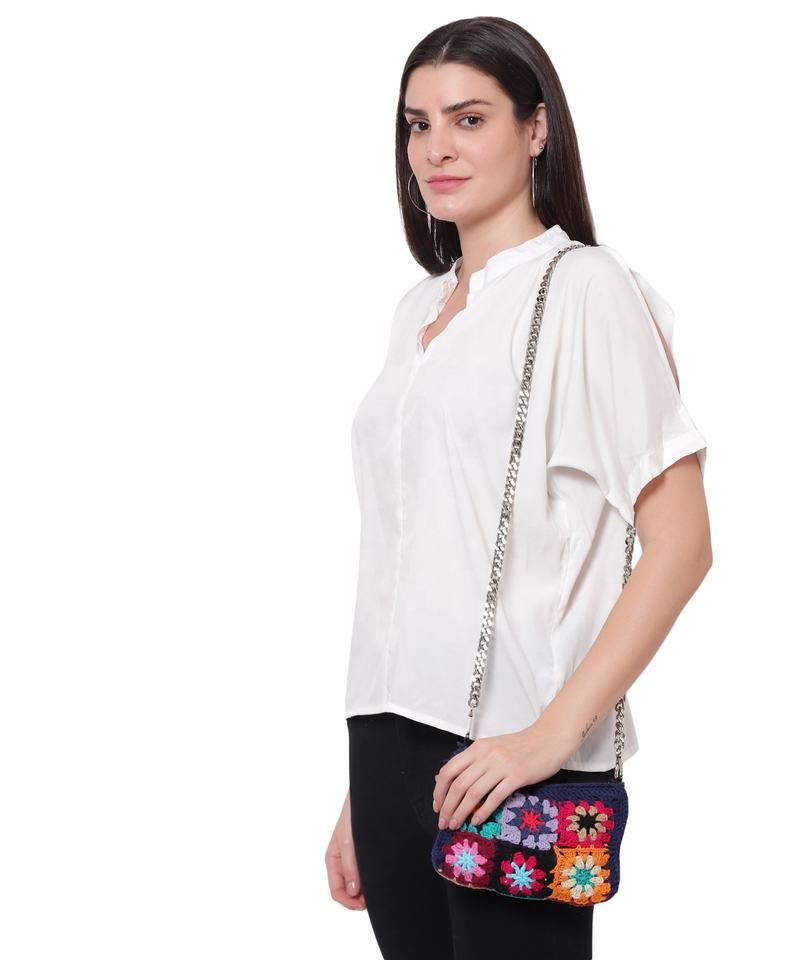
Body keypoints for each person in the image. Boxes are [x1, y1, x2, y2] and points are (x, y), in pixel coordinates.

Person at [326, 16, 712, 960]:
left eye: (469, 118)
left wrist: (548, 737)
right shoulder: (417, 311)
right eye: (417, 125)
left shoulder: (585, 289)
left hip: (513, 761)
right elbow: (416, 560)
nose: (436, 148)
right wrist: (359, 789)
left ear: (536, 128)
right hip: (386, 747)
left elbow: (683, 544)